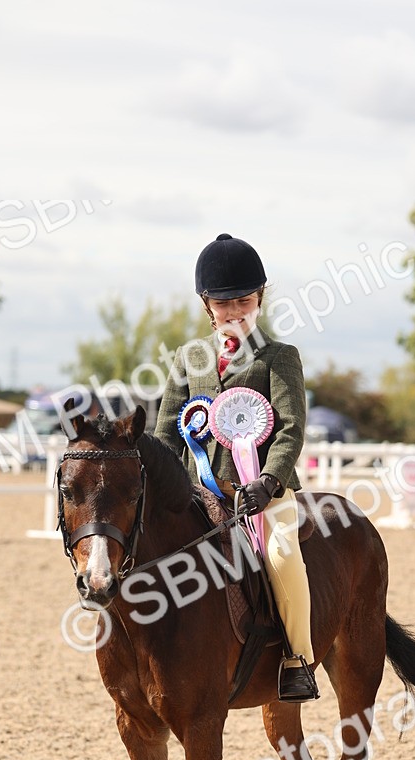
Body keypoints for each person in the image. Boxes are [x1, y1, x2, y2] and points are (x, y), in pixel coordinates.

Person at [155, 232, 319, 702]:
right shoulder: (189, 359)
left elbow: (291, 427)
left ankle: (297, 659)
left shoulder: (279, 358)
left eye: (243, 301)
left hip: (262, 494)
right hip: (196, 493)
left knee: (283, 558)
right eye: (223, 304)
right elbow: (168, 431)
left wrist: (268, 481)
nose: (234, 312)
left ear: (260, 299)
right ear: (207, 305)